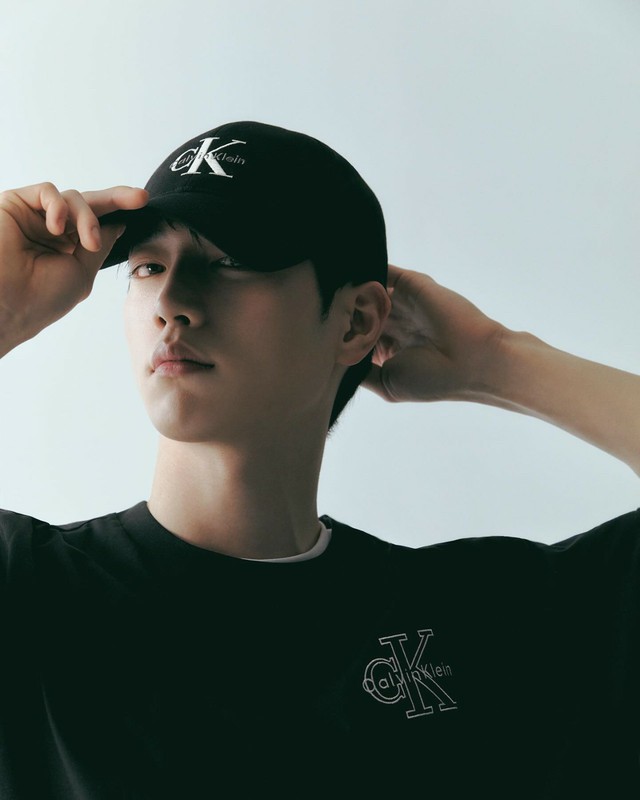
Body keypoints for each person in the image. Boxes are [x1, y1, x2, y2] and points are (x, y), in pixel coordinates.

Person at [0, 120, 638, 800]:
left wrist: (498, 359)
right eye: (147, 266)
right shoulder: (29, 596)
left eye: (229, 261)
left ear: (356, 322)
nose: (171, 303)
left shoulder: (489, 627)